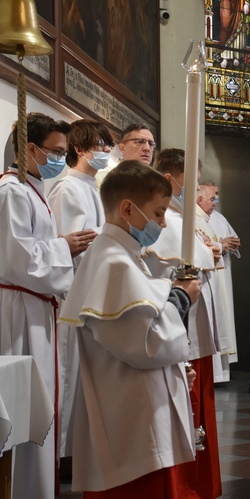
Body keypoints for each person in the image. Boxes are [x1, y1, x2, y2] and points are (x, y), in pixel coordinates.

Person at [59, 160, 200, 497]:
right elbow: (146, 345)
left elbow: (139, 332)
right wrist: (181, 297)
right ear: (127, 209)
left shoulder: (123, 255)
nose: (163, 224)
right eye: (158, 213)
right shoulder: (113, 263)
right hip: (132, 424)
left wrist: (177, 368)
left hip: (137, 411)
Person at [0, 113, 97, 499]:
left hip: (36, 307)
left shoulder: (32, 189)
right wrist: (64, 246)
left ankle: (36, 487)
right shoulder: (12, 192)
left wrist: (60, 245)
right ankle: (19, 487)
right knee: (21, 403)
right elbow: (17, 259)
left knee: (37, 401)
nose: (60, 159)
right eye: (55, 152)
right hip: (18, 311)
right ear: (30, 149)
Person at [142, 149, 222, 499]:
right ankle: (188, 484)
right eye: (190, 181)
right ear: (172, 178)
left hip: (192, 328)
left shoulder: (184, 217)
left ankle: (200, 483)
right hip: (175, 329)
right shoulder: (165, 221)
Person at [48, 119, 114, 461]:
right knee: (69, 376)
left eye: (107, 145)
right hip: (74, 295)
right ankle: (63, 455)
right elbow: (72, 243)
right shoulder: (68, 188)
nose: (105, 151)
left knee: (84, 377)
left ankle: (78, 451)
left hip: (92, 294)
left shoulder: (93, 187)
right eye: (100, 145)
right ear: (79, 149)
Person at [197, 182, 238, 382]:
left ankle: (219, 374)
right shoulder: (195, 219)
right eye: (213, 198)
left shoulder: (215, 218)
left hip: (218, 277)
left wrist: (228, 245)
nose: (216, 202)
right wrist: (220, 246)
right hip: (205, 280)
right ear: (200, 199)